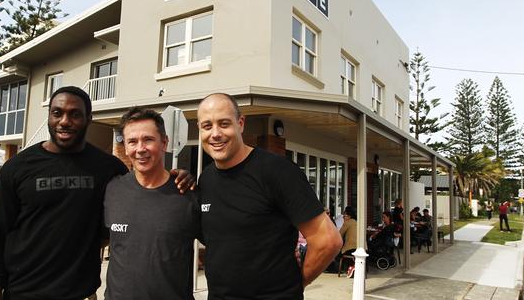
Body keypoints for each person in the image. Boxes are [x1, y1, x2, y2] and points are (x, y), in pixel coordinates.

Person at [0, 86, 194, 300]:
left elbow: (141, 188)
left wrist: (180, 176)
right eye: (57, 113)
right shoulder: (17, 167)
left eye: (75, 114)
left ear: (88, 119)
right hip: (23, 292)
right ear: (49, 116)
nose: (65, 121)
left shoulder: (108, 168)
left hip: (81, 293)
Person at [197, 93, 342, 299]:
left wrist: (295, 285)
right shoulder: (207, 179)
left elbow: (328, 240)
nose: (215, 133)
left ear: (240, 123)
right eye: (207, 126)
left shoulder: (276, 171)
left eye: (224, 123)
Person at [103, 107, 200, 299]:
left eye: (148, 139)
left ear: (164, 143)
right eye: (132, 141)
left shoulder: (187, 194)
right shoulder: (111, 190)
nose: (140, 149)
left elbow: (222, 247)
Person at [338, 206, 357, 276]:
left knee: (336, 253)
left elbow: (338, 235)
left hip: (351, 249)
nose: (343, 217)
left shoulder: (347, 223)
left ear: (349, 215)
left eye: (344, 215)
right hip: (362, 248)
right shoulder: (357, 222)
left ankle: (345, 268)